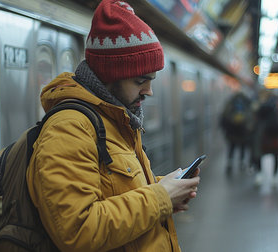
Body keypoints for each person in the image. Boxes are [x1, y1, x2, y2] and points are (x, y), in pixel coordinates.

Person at [26, 1, 200, 251]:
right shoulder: (69, 128)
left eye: (151, 80)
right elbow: (78, 230)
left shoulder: (116, 119)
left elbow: (114, 189)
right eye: (141, 80)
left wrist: (167, 188)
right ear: (110, 74)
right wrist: (161, 197)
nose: (149, 91)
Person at [251, 89, 278, 183]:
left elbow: (252, 119)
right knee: (276, 155)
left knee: (259, 154)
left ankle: (259, 174)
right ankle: (274, 177)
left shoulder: (256, 103)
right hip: (276, 134)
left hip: (261, 134)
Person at [220, 91, 254, 173]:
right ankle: (241, 163)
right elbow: (251, 117)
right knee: (242, 147)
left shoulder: (230, 103)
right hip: (243, 132)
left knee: (231, 147)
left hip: (232, 131)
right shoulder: (247, 103)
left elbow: (224, 116)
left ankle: (229, 162)